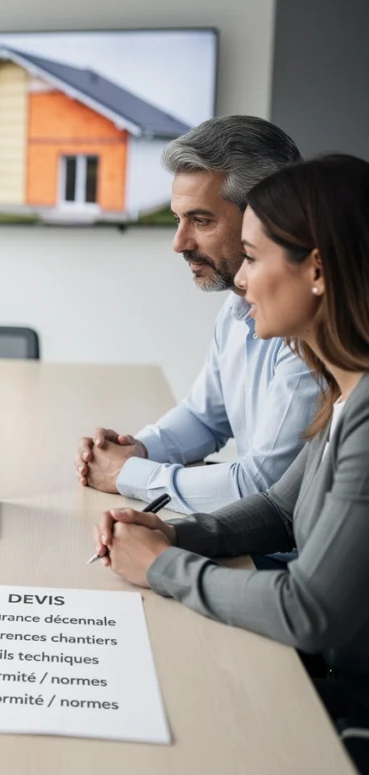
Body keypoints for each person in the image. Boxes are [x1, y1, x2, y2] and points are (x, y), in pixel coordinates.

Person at [92, 154, 369, 767]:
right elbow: (280, 508)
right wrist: (172, 533)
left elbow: (309, 611)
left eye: (252, 258)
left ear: (317, 270)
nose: (240, 282)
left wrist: (161, 566)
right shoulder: (344, 390)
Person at [75, 116, 319, 515]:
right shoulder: (237, 306)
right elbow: (205, 418)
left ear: (267, 217)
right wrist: (138, 449)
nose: (179, 243)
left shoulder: (314, 331)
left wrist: (128, 474)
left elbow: (260, 486)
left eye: (201, 221)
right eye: (178, 219)